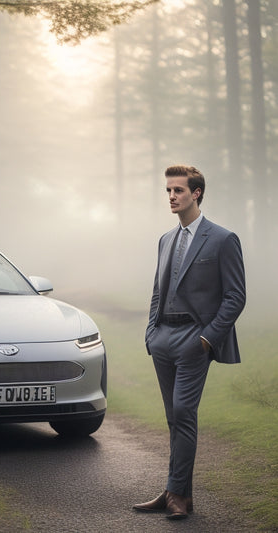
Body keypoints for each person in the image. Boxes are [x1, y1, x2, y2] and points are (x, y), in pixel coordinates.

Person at [133, 165, 246, 520]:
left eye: (178, 190)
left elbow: (235, 296)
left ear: (196, 193)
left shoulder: (222, 239)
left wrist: (207, 338)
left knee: (183, 413)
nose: (171, 196)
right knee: (173, 417)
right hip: (163, 338)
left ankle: (177, 494)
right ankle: (176, 492)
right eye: (168, 190)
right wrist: (151, 333)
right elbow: (157, 291)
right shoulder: (166, 239)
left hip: (194, 340)